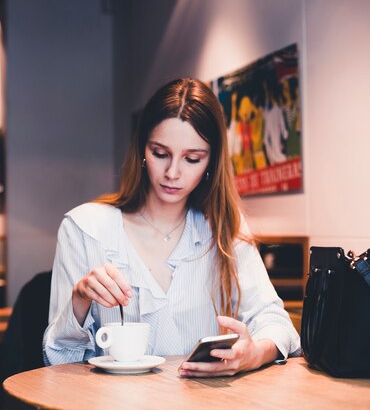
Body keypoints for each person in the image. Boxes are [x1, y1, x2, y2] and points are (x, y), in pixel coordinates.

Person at [42, 78, 301, 377]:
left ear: (210, 163)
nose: (172, 173)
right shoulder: (85, 228)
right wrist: (80, 300)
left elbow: (275, 321)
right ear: (142, 150)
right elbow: (57, 360)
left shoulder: (223, 227)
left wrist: (253, 354)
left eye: (192, 159)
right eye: (160, 153)